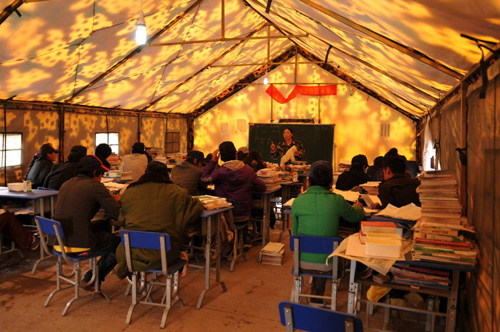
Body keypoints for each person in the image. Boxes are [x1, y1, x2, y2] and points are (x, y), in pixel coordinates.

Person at [114, 162, 204, 279]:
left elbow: (121, 220)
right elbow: (193, 212)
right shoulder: (178, 192)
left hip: (130, 254)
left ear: (145, 174)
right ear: (167, 175)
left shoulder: (129, 192)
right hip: (165, 254)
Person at [292, 161, 364, 301]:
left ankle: (314, 297)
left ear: (308, 181)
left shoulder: (297, 202)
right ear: (331, 183)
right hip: (329, 264)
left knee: (316, 249)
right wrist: (359, 207)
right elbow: (355, 217)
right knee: (327, 254)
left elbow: (296, 234)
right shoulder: (337, 200)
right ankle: (317, 297)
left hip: (301, 262)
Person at [54, 155, 120, 288]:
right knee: (120, 244)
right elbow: (116, 213)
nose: (101, 178)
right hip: (77, 242)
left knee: (103, 224)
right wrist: (116, 199)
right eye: (101, 175)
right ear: (96, 173)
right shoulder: (95, 186)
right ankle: (92, 280)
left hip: (59, 239)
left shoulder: (67, 183)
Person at [202, 141, 266, 222]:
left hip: (224, 215)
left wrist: (213, 161)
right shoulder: (248, 170)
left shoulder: (220, 172)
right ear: (236, 155)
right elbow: (262, 187)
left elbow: (204, 179)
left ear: (220, 157)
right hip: (244, 214)